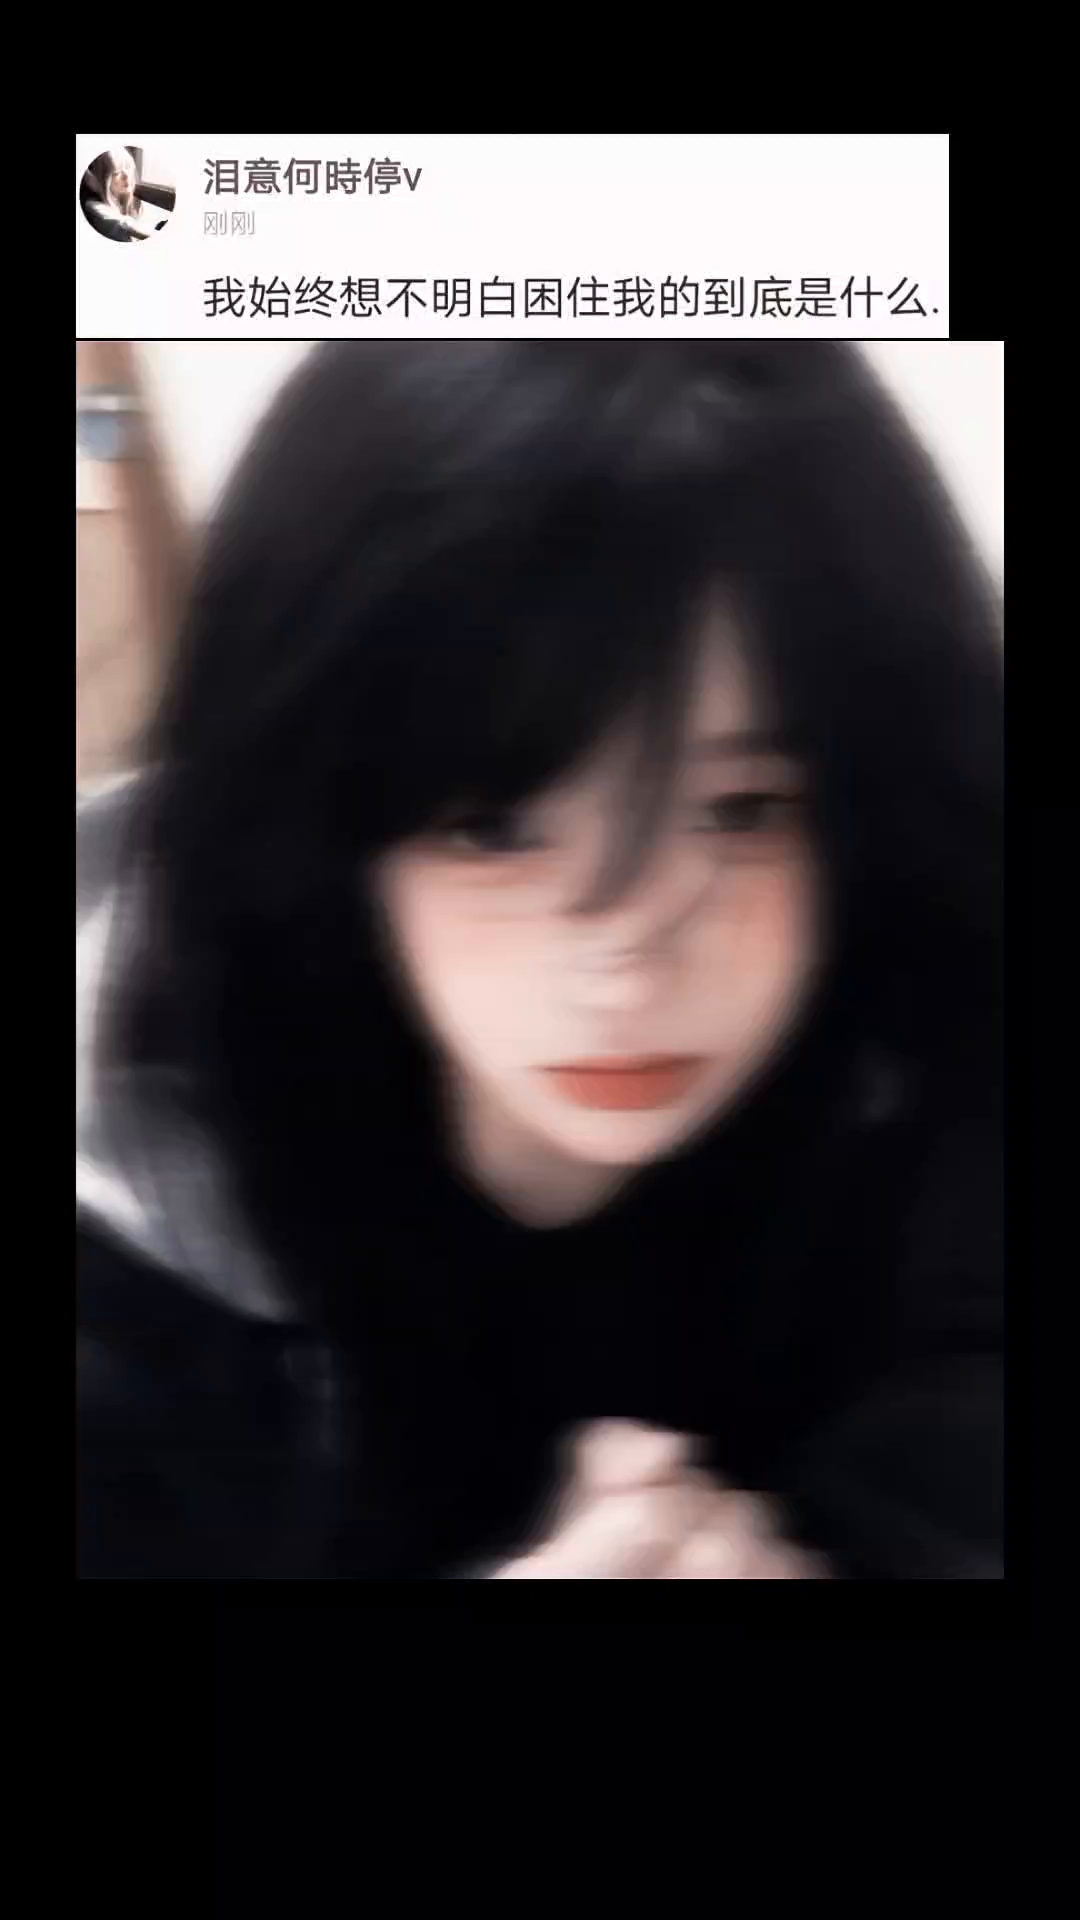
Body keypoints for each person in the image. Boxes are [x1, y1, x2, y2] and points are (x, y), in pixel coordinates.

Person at [76, 342, 1004, 1581]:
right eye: (494, 827)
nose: (625, 967)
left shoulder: (935, 1085)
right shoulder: (129, 1270)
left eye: (742, 810)